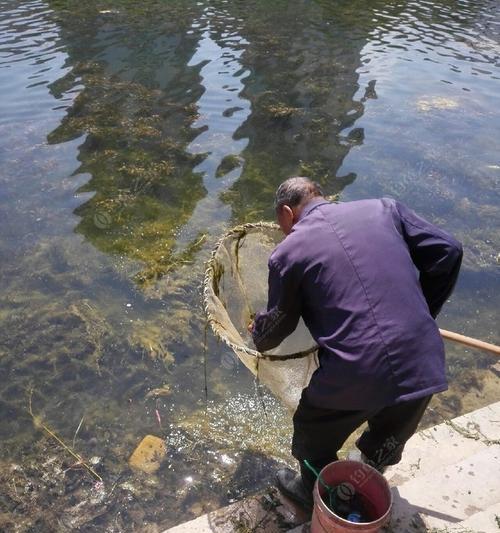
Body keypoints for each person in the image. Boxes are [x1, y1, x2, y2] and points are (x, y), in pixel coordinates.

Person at [249, 177, 463, 511]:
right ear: (323, 197)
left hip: (356, 372)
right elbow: (448, 251)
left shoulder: (288, 252)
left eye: (282, 224)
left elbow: (278, 326)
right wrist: (423, 309)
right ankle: (366, 475)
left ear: (287, 213)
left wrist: (257, 332)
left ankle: (312, 490)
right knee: (389, 432)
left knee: (311, 429)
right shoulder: (384, 208)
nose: (283, 231)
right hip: (424, 362)